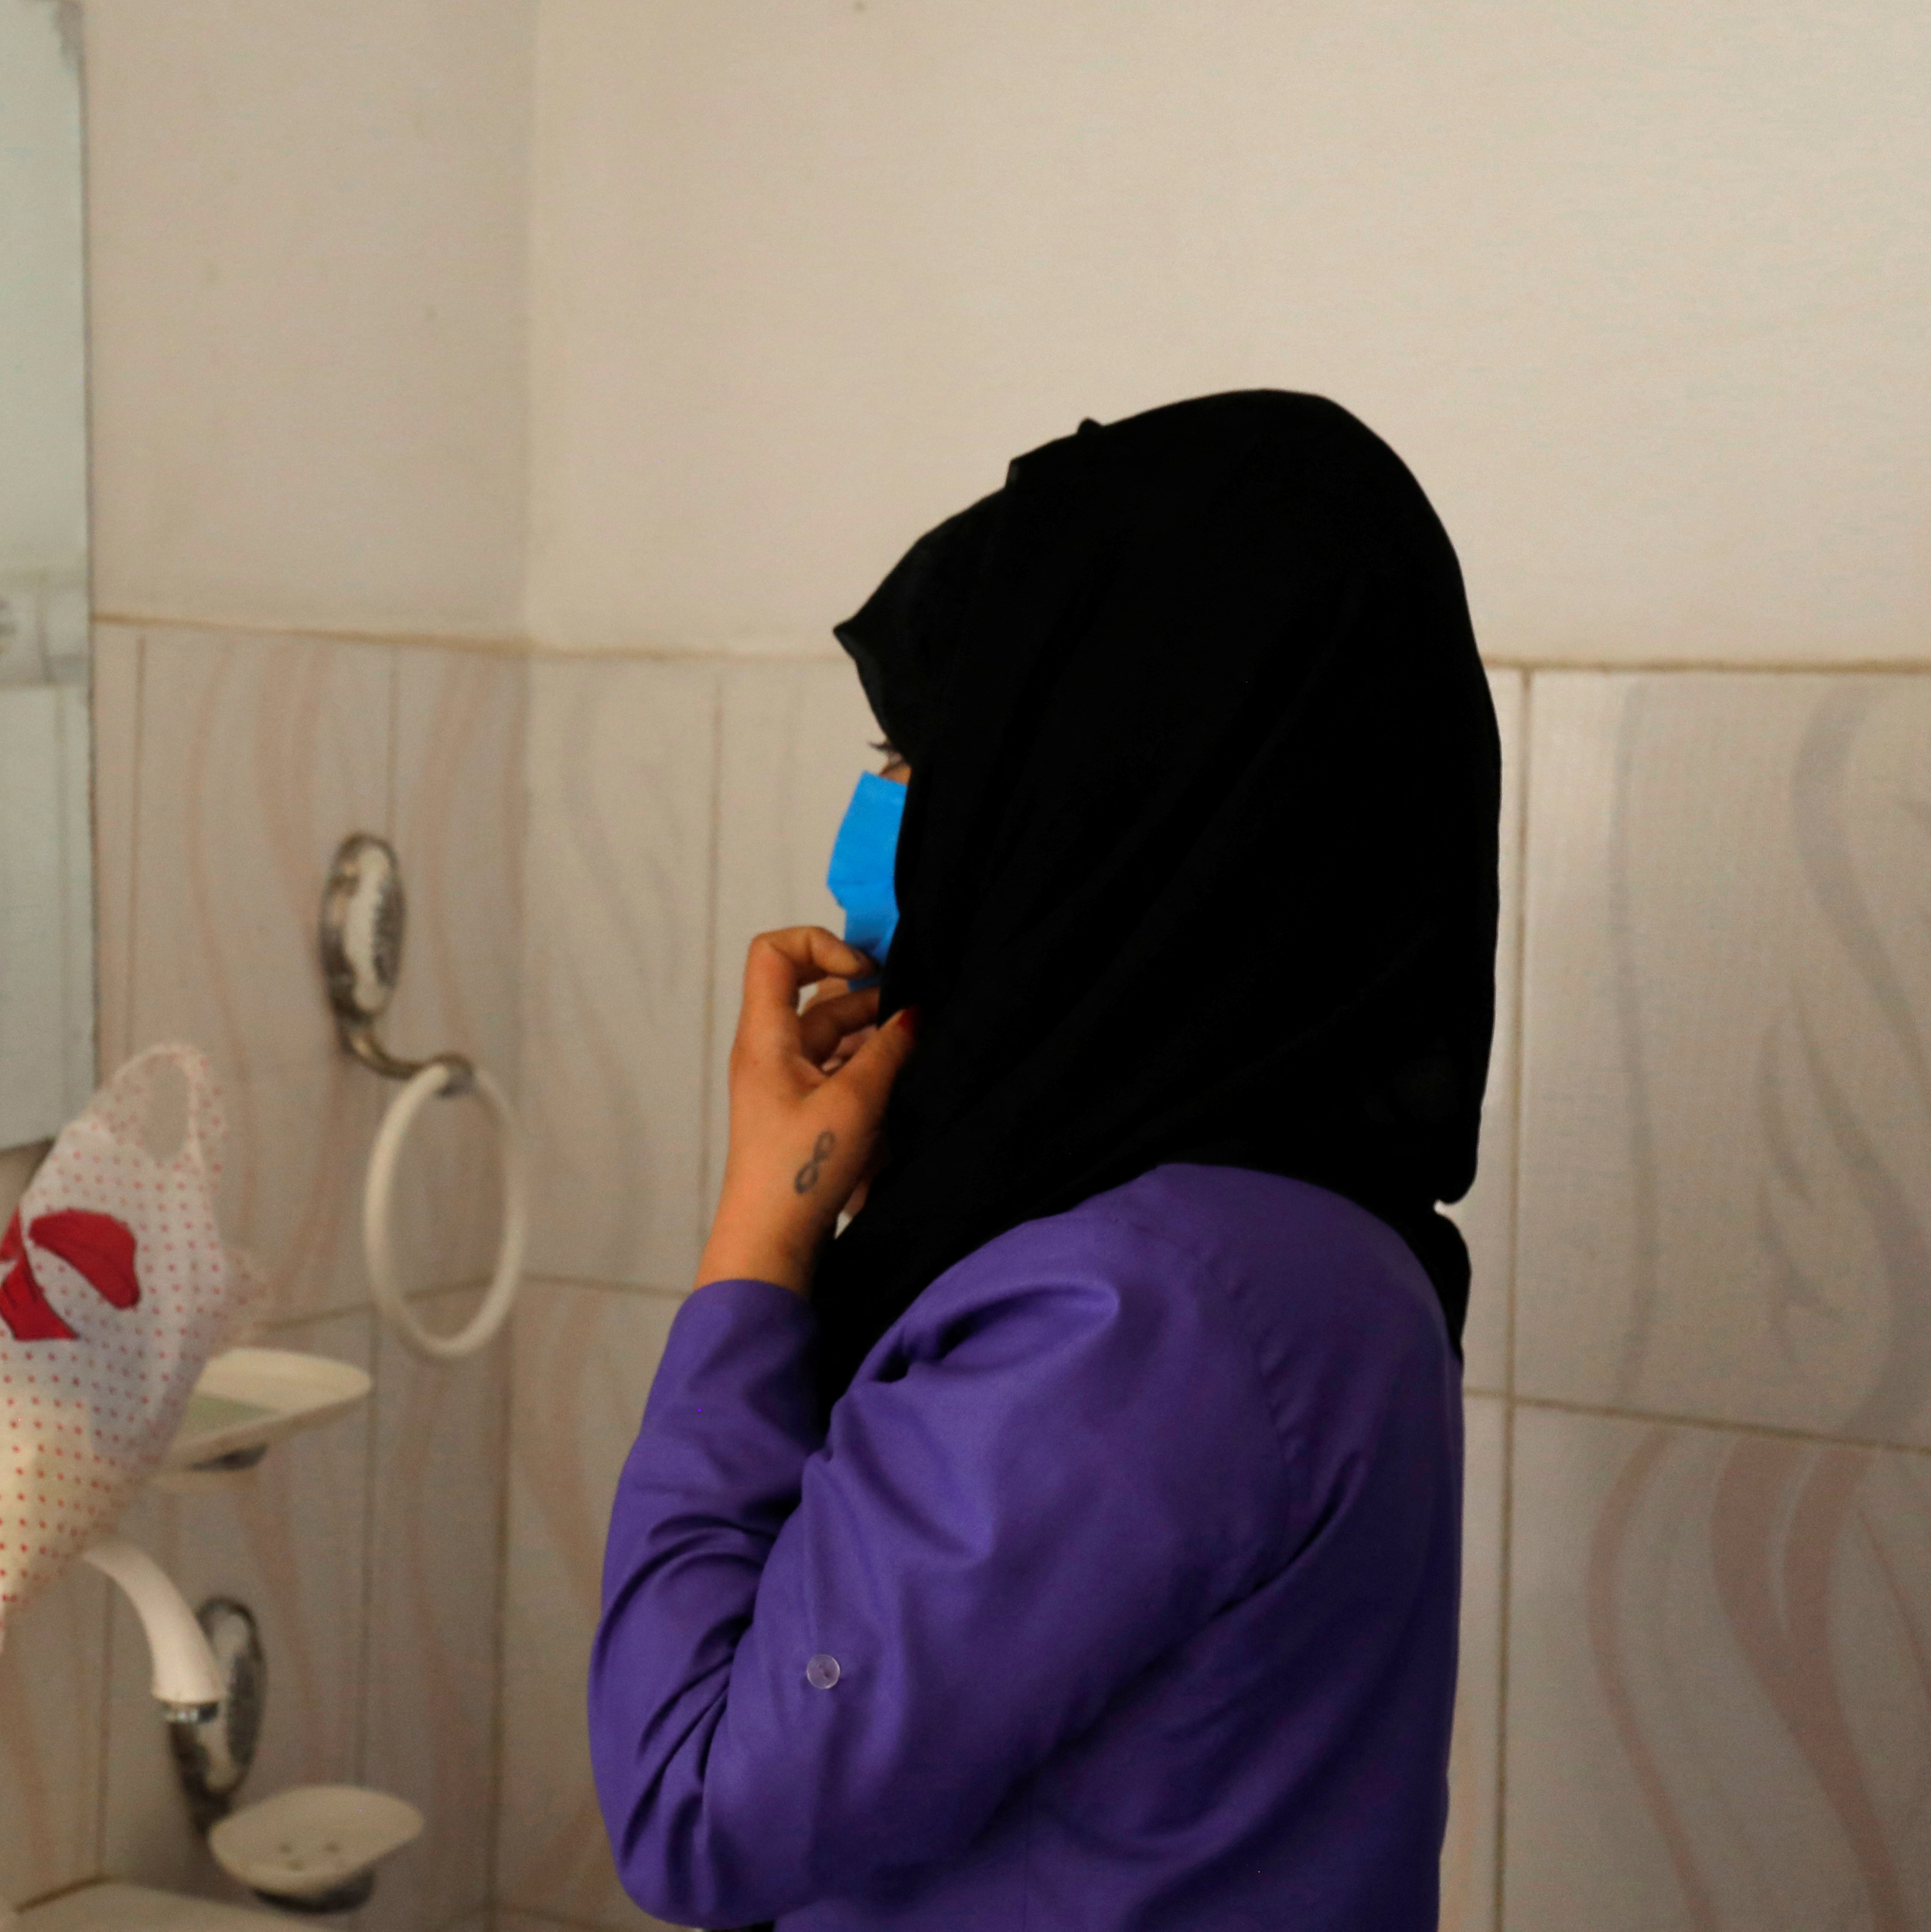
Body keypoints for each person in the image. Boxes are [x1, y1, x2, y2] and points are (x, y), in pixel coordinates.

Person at [587, 390, 1496, 1930]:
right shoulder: (1316, 1245)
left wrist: (761, 1236)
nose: (885, 817)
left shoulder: (1136, 1310)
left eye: (923, 754)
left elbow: (699, 1800)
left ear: (1089, 794)